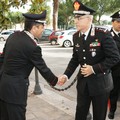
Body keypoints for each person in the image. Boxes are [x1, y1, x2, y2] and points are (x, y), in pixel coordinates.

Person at [0, 10, 66, 120]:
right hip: (16, 93)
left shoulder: (13, 36)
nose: (43, 30)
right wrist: (55, 80)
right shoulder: (32, 46)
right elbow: (43, 68)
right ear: (34, 28)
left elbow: (2, 59)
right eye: (42, 27)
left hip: (3, 88)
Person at [60, 0, 120, 120]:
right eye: (75, 18)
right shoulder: (76, 36)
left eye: (79, 18)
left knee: (99, 116)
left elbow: (115, 57)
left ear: (89, 19)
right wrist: (66, 75)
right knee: (80, 114)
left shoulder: (102, 34)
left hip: (100, 85)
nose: (75, 21)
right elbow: (75, 59)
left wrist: (93, 69)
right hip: (83, 84)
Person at [108, 10, 120, 119]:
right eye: (118, 22)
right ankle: (112, 110)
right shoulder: (107, 36)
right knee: (113, 92)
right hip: (114, 70)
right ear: (113, 22)